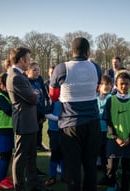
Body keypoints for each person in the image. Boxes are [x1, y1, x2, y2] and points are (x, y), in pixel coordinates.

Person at [49, 37, 102, 191]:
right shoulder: (96, 67)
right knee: (90, 166)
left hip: (69, 125)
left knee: (72, 168)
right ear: (88, 51)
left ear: (71, 50)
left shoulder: (61, 68)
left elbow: (53, 96)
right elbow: (97, 89)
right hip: (92, 123)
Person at [6, 47, 47, 191]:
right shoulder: (15, 77)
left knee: (31, 157)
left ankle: (34, 185)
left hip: (29, 121)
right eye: (28, 59)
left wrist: (34, 94)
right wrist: (35, 94)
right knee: (21, 157)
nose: (29, 62)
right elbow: (33, 97)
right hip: (23, 122)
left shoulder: (19, 75)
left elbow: (33, 95)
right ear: (22, 59)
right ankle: (19, 187)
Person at [102, 72, 130, 191]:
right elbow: (108, 121)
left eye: (127, 84)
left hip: (129, 141)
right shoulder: (111, 100)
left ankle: (124, 188)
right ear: (116, 85)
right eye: (121, 84)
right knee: (111, 168)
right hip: (114, 140)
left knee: (127, 169)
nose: (124, 86)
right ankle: (113, 184)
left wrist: (129, 138)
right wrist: (116, 137)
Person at [0, 72, 14, 190]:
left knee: (8, 154)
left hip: (9, 129)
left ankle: (4, 177)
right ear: (2, 86)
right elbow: (8, 111)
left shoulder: (7, 96)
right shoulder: (1, 97)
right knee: (4, 155)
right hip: (2, 130)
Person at [26, 61, 50, 152]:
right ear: (28, 71)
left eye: (38, 70)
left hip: (40, 110)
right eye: (34, 70)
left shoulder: (39, 80)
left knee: (40, 128)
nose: (37, 72)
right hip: (31, 112)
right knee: (33, 132)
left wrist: (44, 109)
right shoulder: (26, 82)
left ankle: (39, 145)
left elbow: (43, 94)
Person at [96, 75, 113, 186]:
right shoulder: (95, 99)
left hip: (109, 131)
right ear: (99, 86)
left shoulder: (112, 98)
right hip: (98, 131)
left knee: (109, 156)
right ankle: (106, 177)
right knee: (102, 155)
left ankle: (112, 178)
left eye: (108, 84)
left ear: (111, 86)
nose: (106, 86)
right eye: (103, 84)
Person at [44, 100, 64, 187]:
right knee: (55, 153)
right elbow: (46, 113)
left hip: (65, 129)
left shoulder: (67, 97)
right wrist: (59, 118)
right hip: (54, 130)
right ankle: (52, 176)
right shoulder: (51, 100)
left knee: (64, 153)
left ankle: (64, 176)